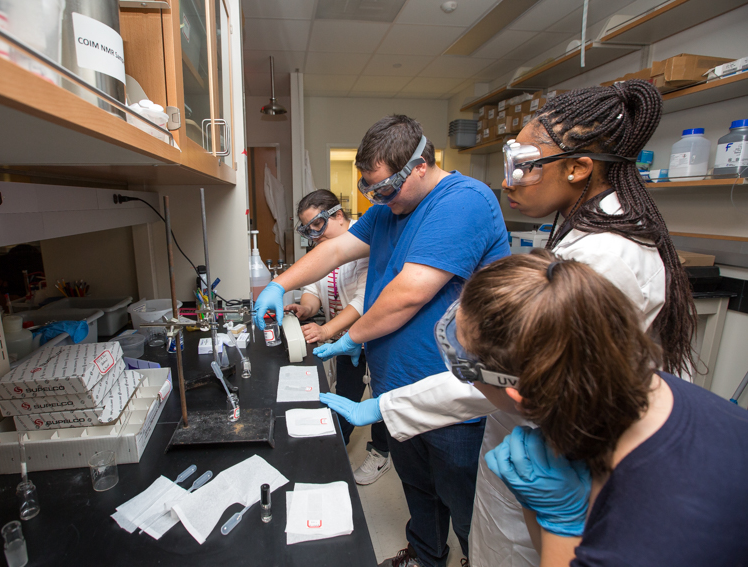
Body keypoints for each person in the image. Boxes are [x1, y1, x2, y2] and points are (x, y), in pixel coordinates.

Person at [320, 80, 699, 566]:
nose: (508, 181)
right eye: (509, 162)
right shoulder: (578, 231)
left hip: (567, 462)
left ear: (580, 167)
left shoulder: (608, 257)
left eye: (524, 166)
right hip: (530, 442)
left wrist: (388, 407)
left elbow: (518, 376)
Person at [254, 115, 510, 567]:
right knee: (418, 490)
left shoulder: (463, 201)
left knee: (465, 503)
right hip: (397, 388)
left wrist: (348, 335)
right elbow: (332, 251)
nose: (376, 199)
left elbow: (410, 293)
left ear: (419, 166)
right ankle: (427, 556)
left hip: (454, 394)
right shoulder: (389, 211)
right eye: (369, 190)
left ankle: (477, 560)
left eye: (383, 188)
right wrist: (280, 285)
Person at [448, 251, 748, 566]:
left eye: (463, 363)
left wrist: (560, 522)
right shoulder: (650, 388)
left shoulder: (644, 535)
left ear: (520, 394)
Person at [285, 189, 391, 485]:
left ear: (338, 216)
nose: (314, 235)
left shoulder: (364, 244)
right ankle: (332, 451)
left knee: (382, 399)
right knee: (345, 396)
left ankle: (381, 453)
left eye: (317, 226)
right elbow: (315, 290)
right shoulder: (322, 250)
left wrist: (327, 330)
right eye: (308, 230)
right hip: (346, 344)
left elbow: (362, 301)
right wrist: (305, 308)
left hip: (374, 337)